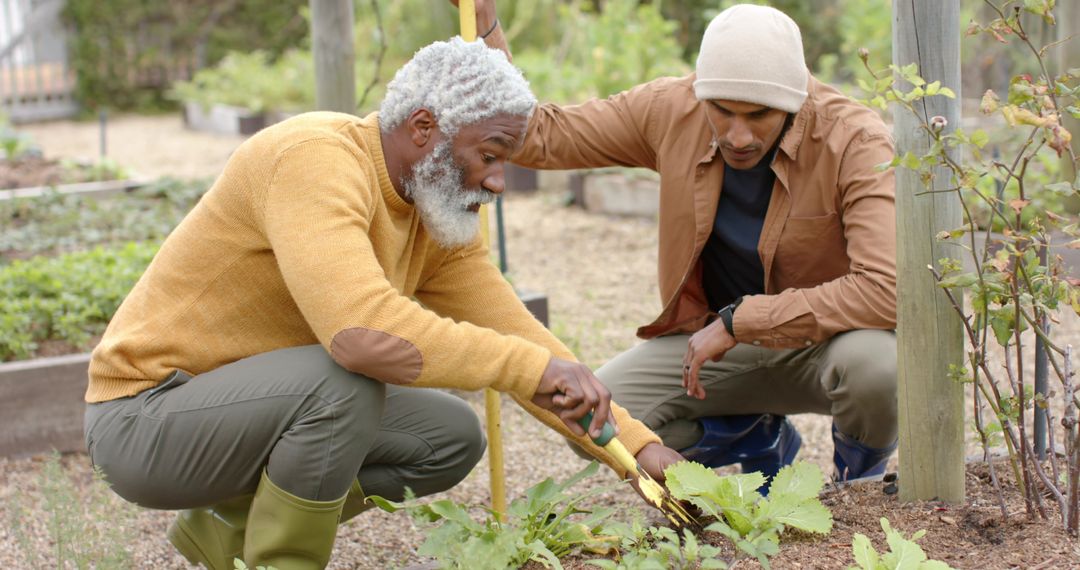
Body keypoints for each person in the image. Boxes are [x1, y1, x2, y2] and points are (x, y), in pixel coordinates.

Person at [83, 37, 684, 570]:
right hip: (147, 417)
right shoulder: (314, 159)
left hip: (242, 412)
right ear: (423, 127)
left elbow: (522, 340)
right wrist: (528, 368)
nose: (499, 181)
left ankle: (226, 531)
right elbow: (361, 332)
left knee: (447, 436)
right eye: (490, 154)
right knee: (345, 379)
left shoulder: (436, 220)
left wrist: (637, 452)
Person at [470, 2, 898, 487]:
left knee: (878, 368)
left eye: (758, 115)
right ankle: (751, 435)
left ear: (794, 100)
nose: (737, 135)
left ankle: (860, 480)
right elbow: (538, 135)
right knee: (593, 416)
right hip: (713, 350)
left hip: (822, 347)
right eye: (721, 110)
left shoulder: (855, 140)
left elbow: (886, 289)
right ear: (701, 92)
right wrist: (486, 24)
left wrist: (743, 321)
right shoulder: (671, 110)